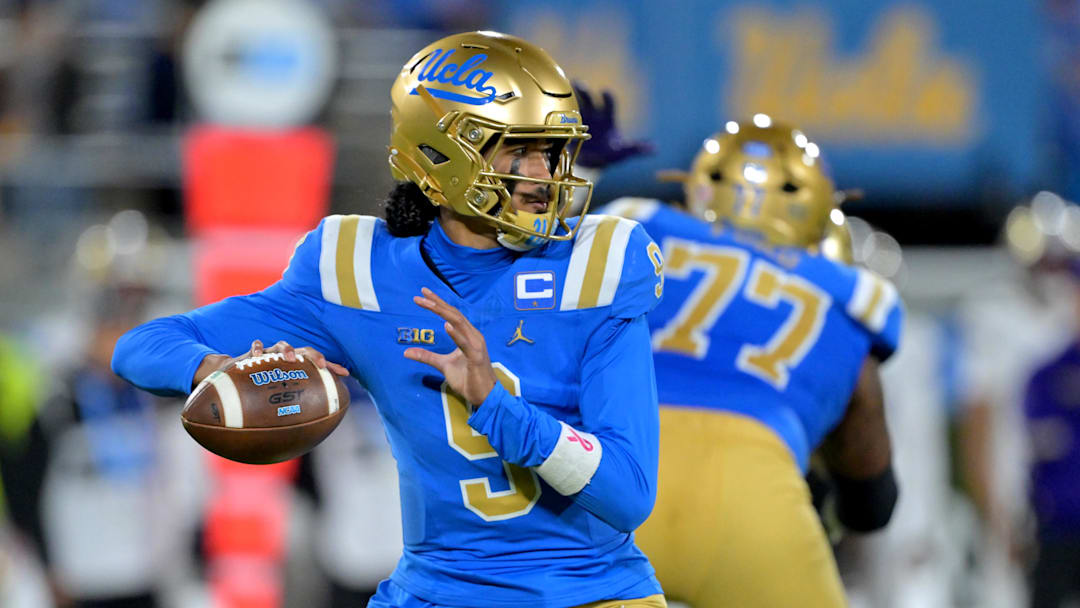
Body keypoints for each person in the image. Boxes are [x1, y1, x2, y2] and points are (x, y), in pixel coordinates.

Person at [112, 31, 667, 608]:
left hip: (587, 593)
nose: (541, 175)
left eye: (551, 152)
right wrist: (221, 367)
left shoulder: (595, 267)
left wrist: (498, 408)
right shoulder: (359, 272)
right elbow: (141, 345)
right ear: (440, 156)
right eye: (518, 150)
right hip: (438, 590)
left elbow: (629, 495)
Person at [601, 117, 902, 607]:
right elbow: (872, 498)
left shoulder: (635, 230)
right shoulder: (842, 295)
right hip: (755, 507)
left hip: (618, 484)